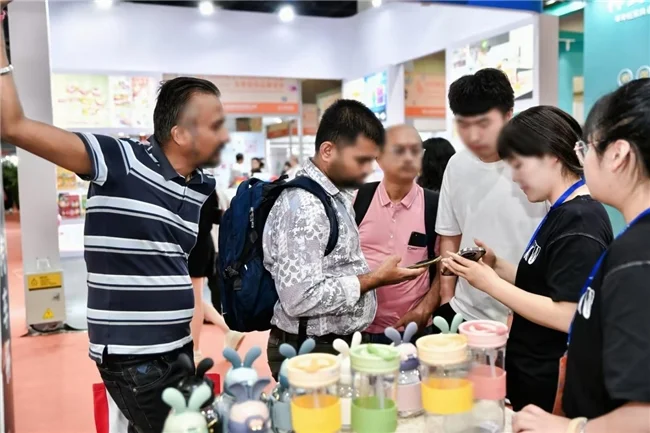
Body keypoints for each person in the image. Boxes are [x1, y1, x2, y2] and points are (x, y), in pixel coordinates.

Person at [0, 18, 229, 430]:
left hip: (178, 345)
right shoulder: (119, 160)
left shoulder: (199, 186)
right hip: (135, 359)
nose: (224, 134)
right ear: (179, 134)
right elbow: (13, 125)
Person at [442, 106, 613, 412]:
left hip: (549, 385)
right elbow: (547, 284)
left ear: (551, 155)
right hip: (530, 373)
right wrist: (497, 266)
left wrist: (490, 284)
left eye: (519, 165)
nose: (514, 177)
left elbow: (568, 315)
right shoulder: (562, 211)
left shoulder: (580, 221)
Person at [511, 78, 650, 433]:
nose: (582, 160)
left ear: (618, 154)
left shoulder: (636, 258)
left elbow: (644, 412)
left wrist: (570, 429)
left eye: (586, 148)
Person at [262, 100, 425, 378]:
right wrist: (373, 280)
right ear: (328, 151)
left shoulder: (333, 196)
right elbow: (298, 298)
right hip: (309, 350)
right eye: (360, 160)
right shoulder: (305, 206)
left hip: (330, 345)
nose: (367, 170)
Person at [434, 68, 547, 327]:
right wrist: (446, 297)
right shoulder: (456, 165)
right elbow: (450, 235)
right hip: (465, 311)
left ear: (509, 115)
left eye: (484, 124)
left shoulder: (538, 165)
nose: (474, 136)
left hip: (527, 312)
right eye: (464, 125)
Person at [356, 125, 438, 343]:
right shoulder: (356, 200)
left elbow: (445, 268)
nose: (409, 157)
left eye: (415, 151)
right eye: (399, 150)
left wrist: (424, 310)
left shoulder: (434, 206)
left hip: (413, 329)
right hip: (359, 329)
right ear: (378, 157)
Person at [188, 191, 244, 362]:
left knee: (194, 298)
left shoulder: (194, 185)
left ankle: (195, 351)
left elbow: (204, 222)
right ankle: (227, 330)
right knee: (193, 296)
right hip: (203, 245)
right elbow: (214, 217)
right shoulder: (207, 186)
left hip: (194, 246)